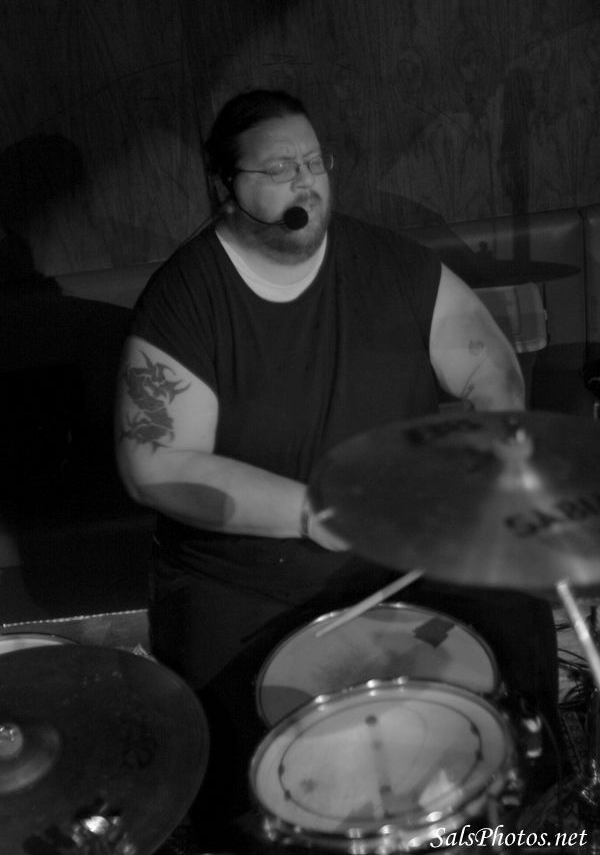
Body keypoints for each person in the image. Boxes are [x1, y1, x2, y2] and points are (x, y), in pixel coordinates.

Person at [115, 89, 562, 850]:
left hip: (404, 549)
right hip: (244, 581)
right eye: (277, 169)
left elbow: (485, 364)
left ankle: (524, 823)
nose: (306, 180)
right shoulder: (187, 298)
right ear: (224, 186)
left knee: (517, 635)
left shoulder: (390, 262)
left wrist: (483, 446)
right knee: (238, 768)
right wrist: (315, 510)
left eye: (314, 161)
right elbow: (154, 463)